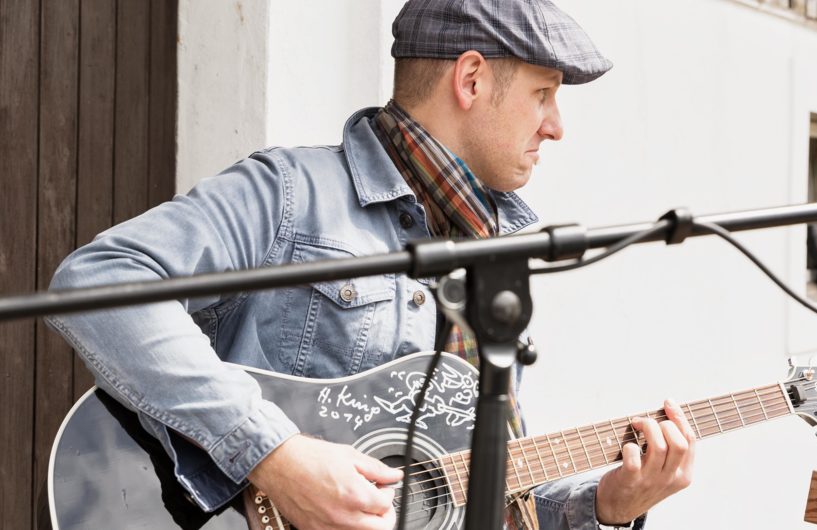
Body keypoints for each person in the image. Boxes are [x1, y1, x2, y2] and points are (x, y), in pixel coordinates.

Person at [47, 1, 695, 528]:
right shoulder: (292, 193)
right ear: (470, 80)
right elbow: (99, 281)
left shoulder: (496, 257)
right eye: (544, 93)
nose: (556, 126)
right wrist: (274, 455)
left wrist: (607, 507)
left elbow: (470, 492)